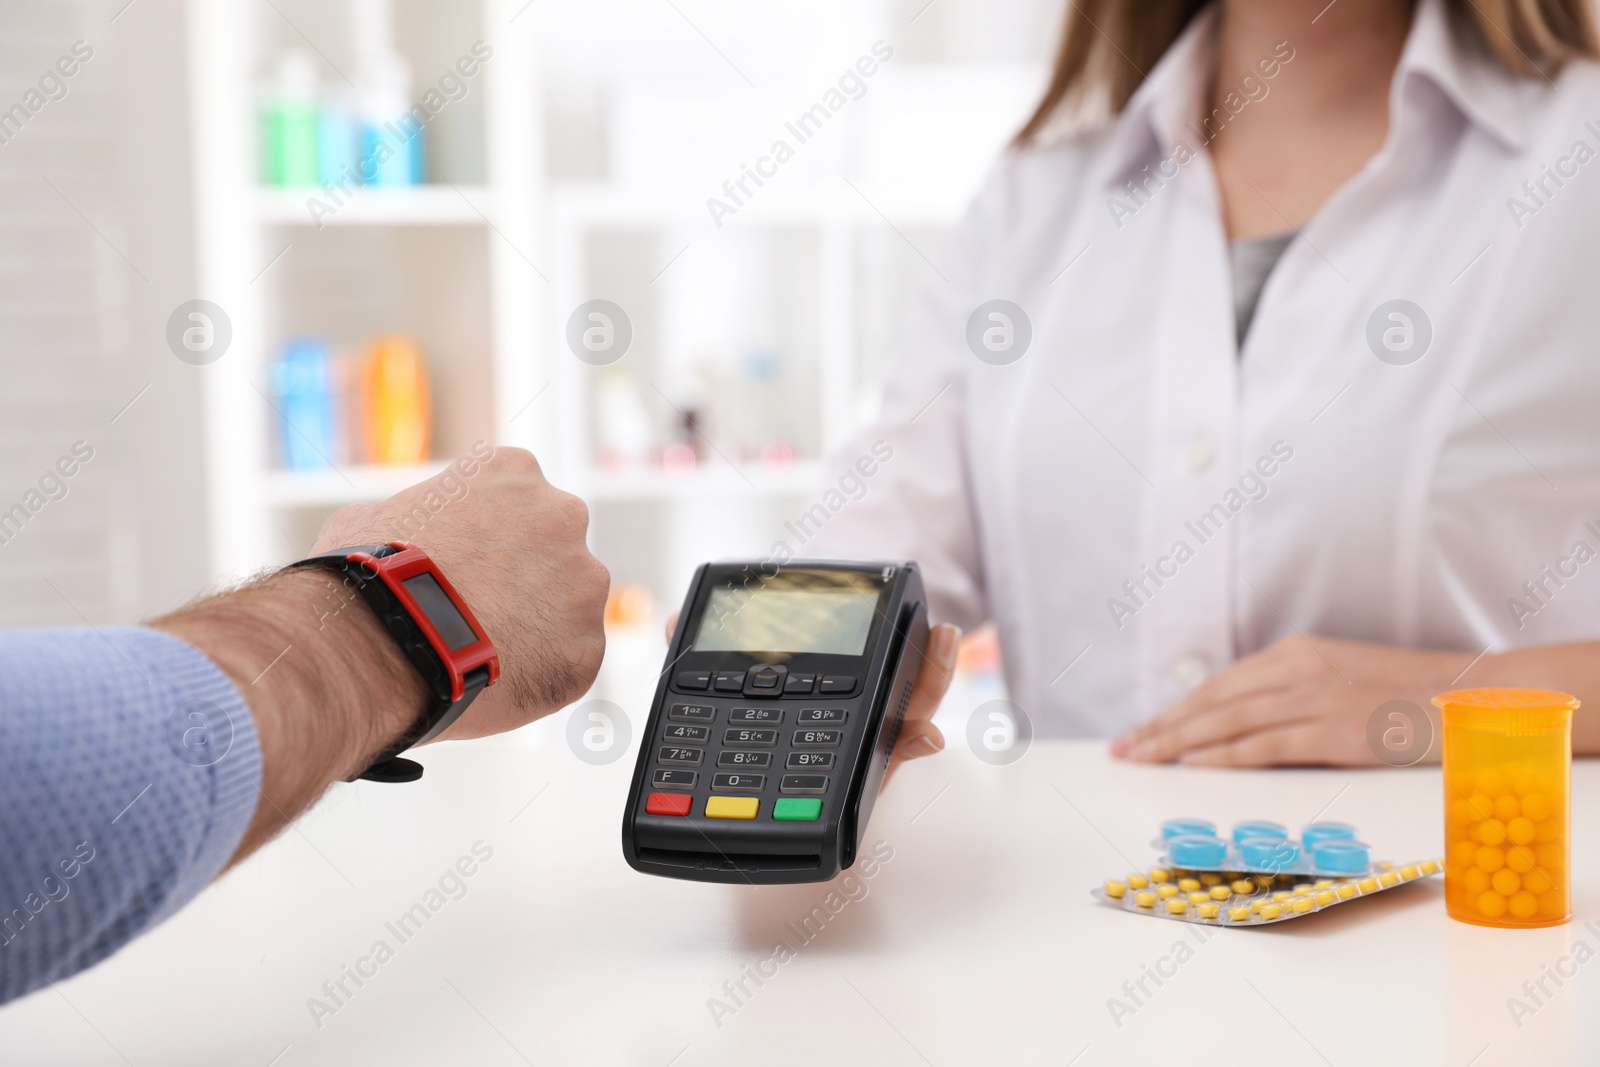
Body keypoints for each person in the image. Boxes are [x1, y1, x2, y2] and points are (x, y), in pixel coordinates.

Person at [810, 0, 1600, 765]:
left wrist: (1440, 702)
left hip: (1462, 894)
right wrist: (779, 643)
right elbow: (880, 542)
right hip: (1075, 897)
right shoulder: (1035, 200)